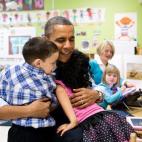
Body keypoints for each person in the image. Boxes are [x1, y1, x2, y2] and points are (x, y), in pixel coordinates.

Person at [0, 16, 102, 142]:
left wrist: (97, 94)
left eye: (72, 39)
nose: (68, 46)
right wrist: (28, 110)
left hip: (71, 131)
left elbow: (100, 86)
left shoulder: (80, 62)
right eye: (61, 40)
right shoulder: (20, 72)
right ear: (45, 39)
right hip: (30, 134)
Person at [55, 50, 134, 142]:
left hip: (90, 122)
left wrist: (71, 123)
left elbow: (73, 120)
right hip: (105, 115)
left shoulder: (60, 87)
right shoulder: (82, 84)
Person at [0, 37, 59, 142]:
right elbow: (50, 103)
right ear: (38, 63)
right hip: (42, 131)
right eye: (53, 63)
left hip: (17, 131)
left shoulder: (9, 71)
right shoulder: (45, 78)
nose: (55, 67)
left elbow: (3, 92)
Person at [89, 40, 141, 109]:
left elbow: (119, 79)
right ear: (100, 51)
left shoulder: (110, 66)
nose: (109, 53)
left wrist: (126, 83)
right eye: (106, 51)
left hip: (106, 98)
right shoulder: (92, 63)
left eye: (111, 52)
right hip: (95, 99)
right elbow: (87, 79)